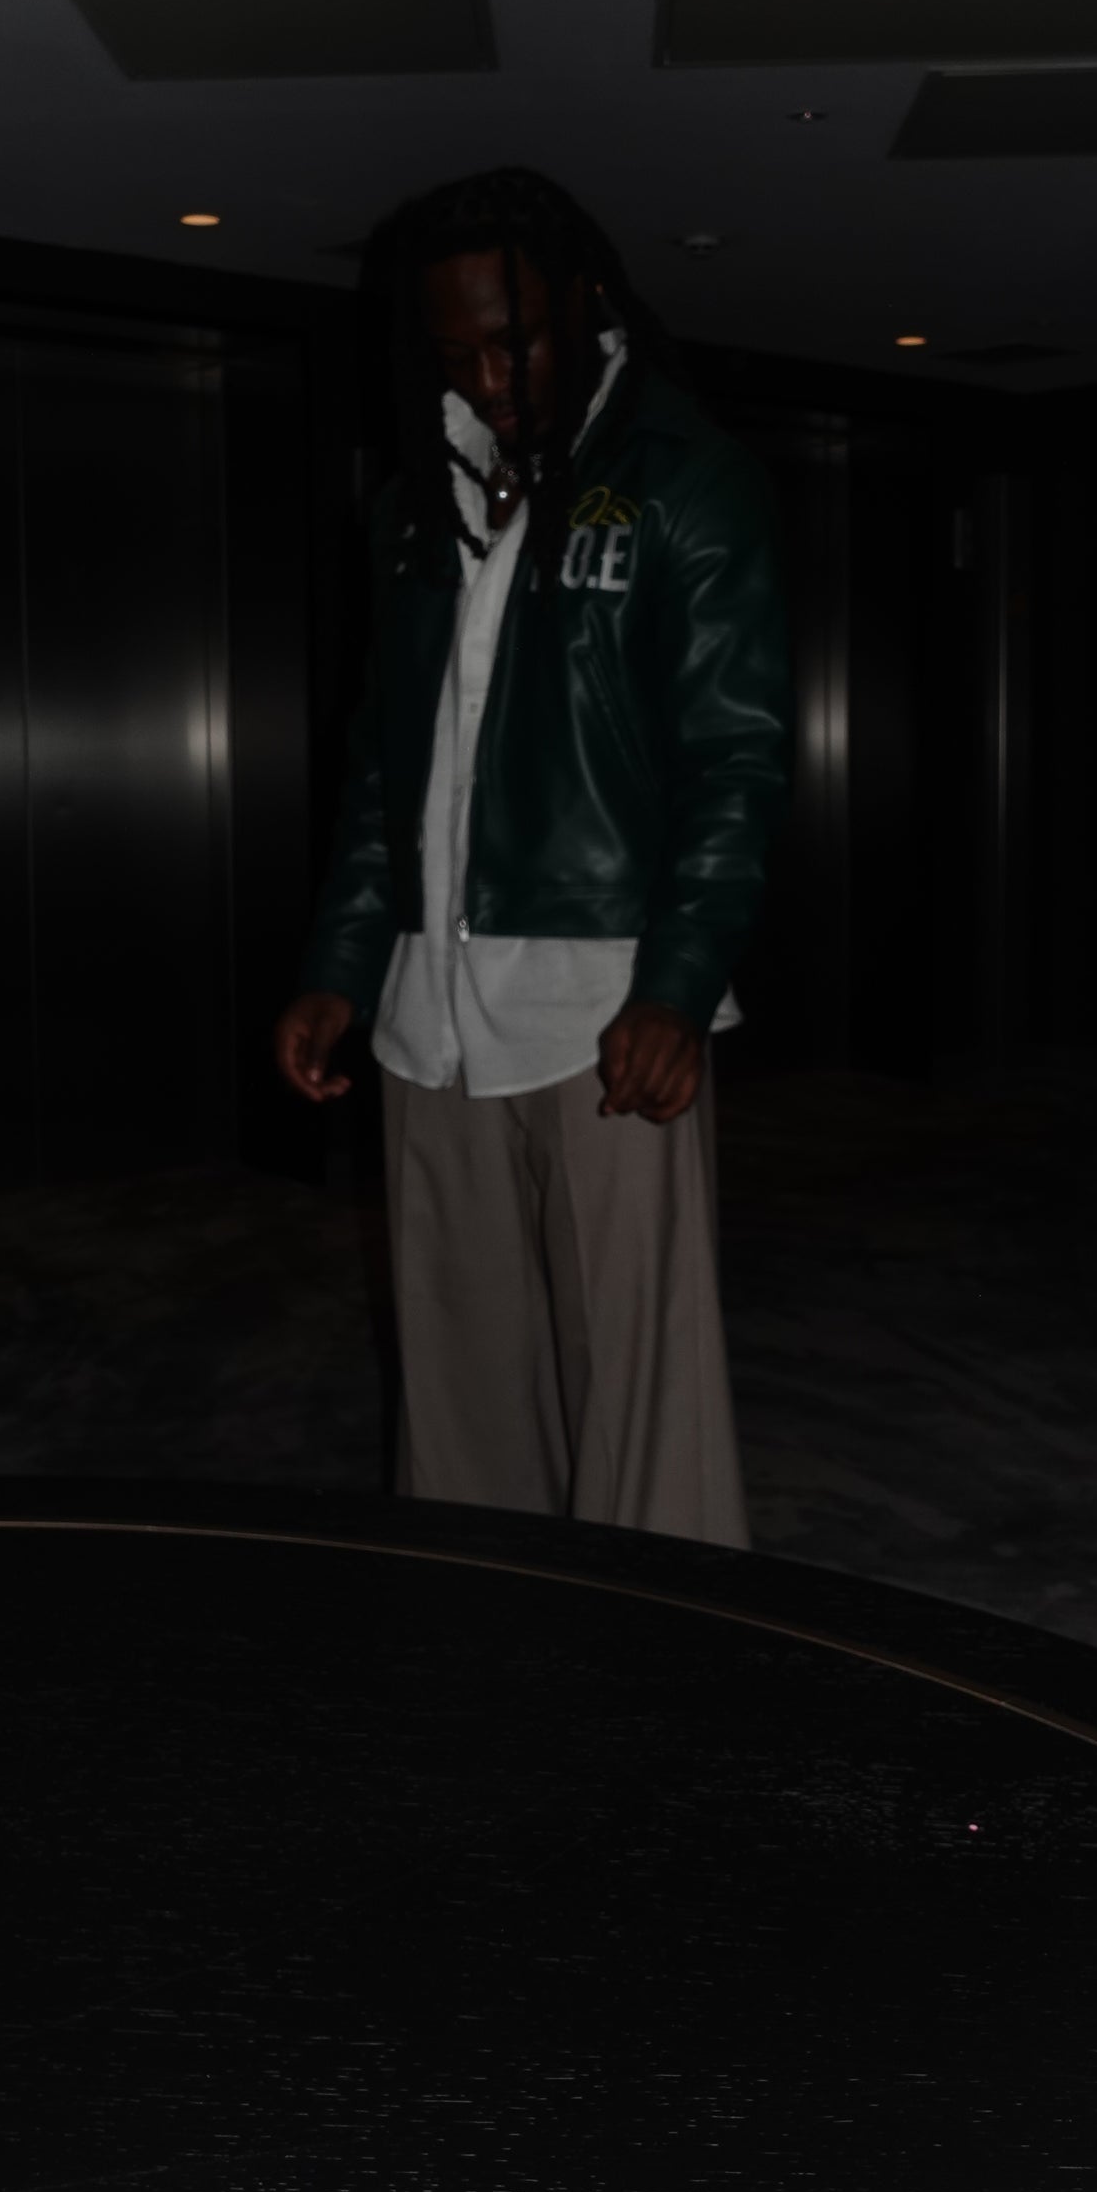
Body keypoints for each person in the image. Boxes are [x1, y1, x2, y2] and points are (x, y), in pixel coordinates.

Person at [275, 167, 790, 1549]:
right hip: (426, 1006)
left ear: (586, 302)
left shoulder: (685, 480)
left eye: (515, 343)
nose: (490, 381)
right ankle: (477, 1622)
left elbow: (736, 762)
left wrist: (678, 983)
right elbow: (387, 768)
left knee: (636, 1376)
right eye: (456, 354)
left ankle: (667, 1629)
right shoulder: (415, 505)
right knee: (457, 1365)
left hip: (602, 1005)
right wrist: (340, 962)